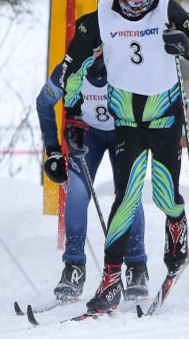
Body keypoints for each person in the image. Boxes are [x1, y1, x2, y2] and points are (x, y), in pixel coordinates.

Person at [60, 0, 189, 314]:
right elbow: (71, 69)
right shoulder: (101, 16)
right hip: (126, 124)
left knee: (165, 197)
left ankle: (177, 232)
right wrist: (72, 117)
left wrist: (187, 48)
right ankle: (112, 279)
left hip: (164, 120)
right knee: (126, 197)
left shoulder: (168, 8)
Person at [37, 57, 148, 301]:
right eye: (90, 48)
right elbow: (44, 103)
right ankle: (74, 267)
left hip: (123, 131)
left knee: (128, 193)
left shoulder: (124, 62)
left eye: (101, 48)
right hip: (87, 134)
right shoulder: (70, 68)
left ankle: (136, 266)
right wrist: (53, 149)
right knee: (76, 192)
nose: (96, 54)